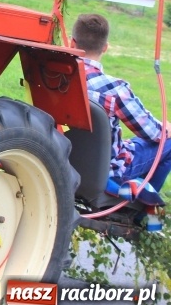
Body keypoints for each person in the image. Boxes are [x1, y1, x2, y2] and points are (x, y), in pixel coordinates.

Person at [71, 13, 171, 194]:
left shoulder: (58, 79)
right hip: (107, 169)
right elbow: (153, 133)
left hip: (68, 158)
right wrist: (165, 128)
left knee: (134, 143)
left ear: (72, 42)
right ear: (106, 47)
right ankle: (142, 209)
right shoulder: (114, 89)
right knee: (169, 142)